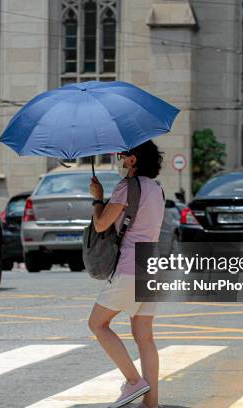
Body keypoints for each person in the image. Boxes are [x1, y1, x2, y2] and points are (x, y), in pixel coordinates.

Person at [88, 140, 165, 408]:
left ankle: (134, 381)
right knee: (145, 336)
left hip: (130, 266)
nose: (119, 158)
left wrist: (97, 198)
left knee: (97, 324)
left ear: (133, 160)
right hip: (153, 264)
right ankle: (151, 403)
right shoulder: (157, 189)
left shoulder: (126, 187)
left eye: (122, 154)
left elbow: (100, 224)